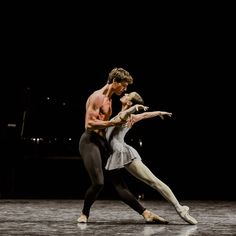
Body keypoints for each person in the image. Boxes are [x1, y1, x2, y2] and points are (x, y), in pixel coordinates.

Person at [78, 68, 168, 224]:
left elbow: (119, 121)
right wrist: (114, 122)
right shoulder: (96, 97)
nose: (125, 89)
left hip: (102, 143)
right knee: (99, 183)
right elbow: (89, 125)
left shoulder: (110, 100)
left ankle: (146, 213)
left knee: (119, 184)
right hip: (90, 141)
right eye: (124, 86)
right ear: (115, 82)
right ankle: (84, 214)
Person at [105, 91, 198, 225]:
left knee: (153, 181)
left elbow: (126, 115)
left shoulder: (126, 115)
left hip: (124, 153)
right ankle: (178, 207)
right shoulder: (129, 115)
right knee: (148, 182)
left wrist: (133, 109)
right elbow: (144, 115)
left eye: (128, 95)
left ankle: (180, 208)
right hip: (116, 153)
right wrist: (159, 112)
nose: (124, 94)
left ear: (130, 103)